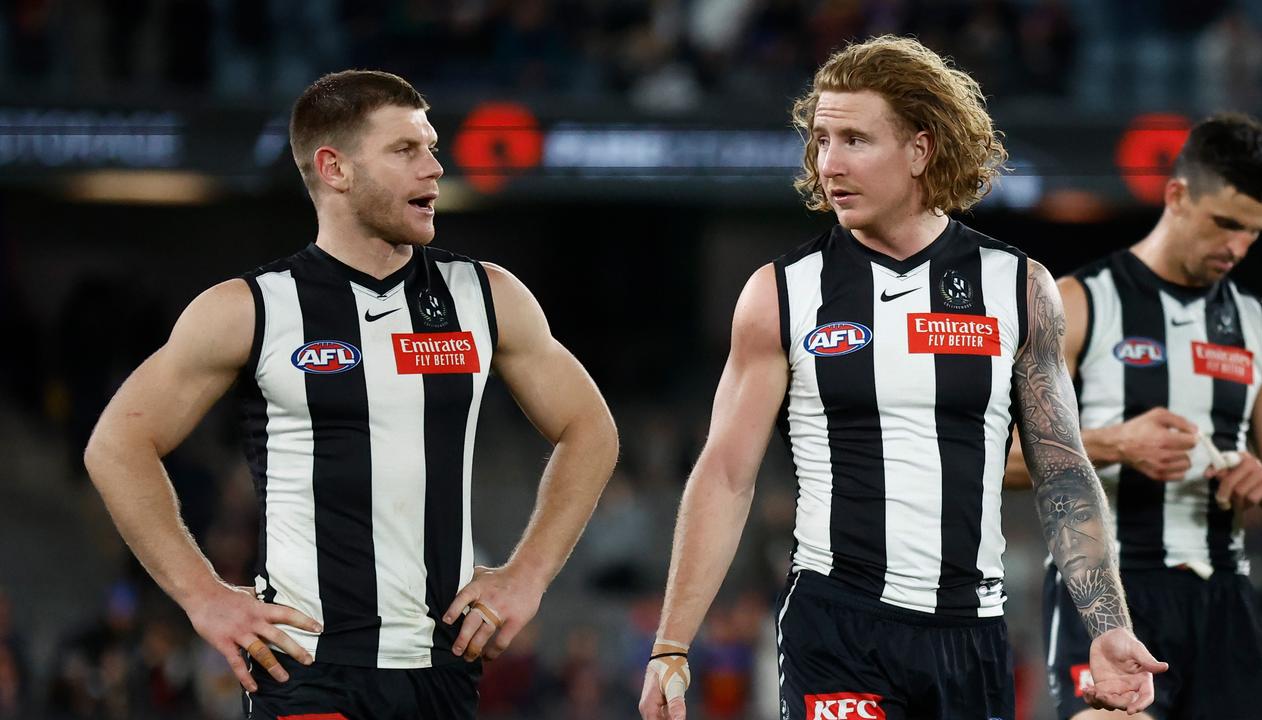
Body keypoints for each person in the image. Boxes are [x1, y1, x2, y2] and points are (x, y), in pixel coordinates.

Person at [638, 35, 1166, 720]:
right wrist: (671, 644)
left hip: (971, 634)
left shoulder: (1017, 287)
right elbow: (726, 474)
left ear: (920, 149)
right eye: (822, 139)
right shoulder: (781, 293)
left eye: (855, 139)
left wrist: (1109, 623)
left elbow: (1063, 471)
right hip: (838, 624)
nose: (829, 163)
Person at [83, 70, 619, 720]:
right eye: (405, 151)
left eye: (432, 147)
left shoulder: (486, 295)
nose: (434, 168)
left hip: (443, 671)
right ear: (334, 168)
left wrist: (527, 573)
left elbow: (590, 427)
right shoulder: (250, 309)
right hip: (308, 668)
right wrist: (204, 596)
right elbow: (117, 446)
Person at [1005, 113, 1262, 720]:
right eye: (1226, 224)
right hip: (1108, 591)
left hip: (1222, 599)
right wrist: (1114, 444)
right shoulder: (1080, 304)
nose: (1237, 247)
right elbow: (994, 462)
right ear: (1177, 195)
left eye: (1255, 232)